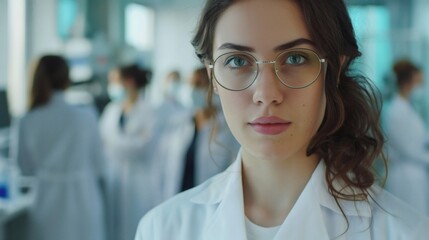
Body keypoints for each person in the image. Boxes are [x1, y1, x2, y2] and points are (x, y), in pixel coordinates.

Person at [135, 0, 429, 239]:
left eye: (295, 59)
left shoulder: (404, 232)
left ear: (334, 71)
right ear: (212, 76)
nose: (266, 94)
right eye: (237, 61)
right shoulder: (162, 229)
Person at [13, 55, 106, 240]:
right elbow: (100, 166)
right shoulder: (86, 116)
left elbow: (24, 167)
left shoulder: (26, 120)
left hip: (45, 204)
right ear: (67, 79)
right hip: (84, 200)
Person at [100, 64, 163, 240]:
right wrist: (125, 143)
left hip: (139, 181)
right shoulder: (111, 110)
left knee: (136, 228)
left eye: (115, 81)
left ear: (129, 82)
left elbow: (141, 147)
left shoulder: (150, 111)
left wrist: (112, 143)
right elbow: (101, 143)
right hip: (114, 178)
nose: (111, 85)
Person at [158, 67, 239, 200]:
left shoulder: (227, 128)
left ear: (213, 88)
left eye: (199, 84)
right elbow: (163, 165)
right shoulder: (179, 124)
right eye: (191, 84)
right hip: (176, 198)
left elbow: (233, 171)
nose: (193, 89)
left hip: (212, 202)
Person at [384, 59, 429, 215]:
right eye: (419, 81)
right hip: (405, 176)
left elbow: (420, 138)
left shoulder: (409, 108)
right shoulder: (395, 111)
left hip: (416, 175)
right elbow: (410, 149)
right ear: (407, 82)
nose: (421, 86)